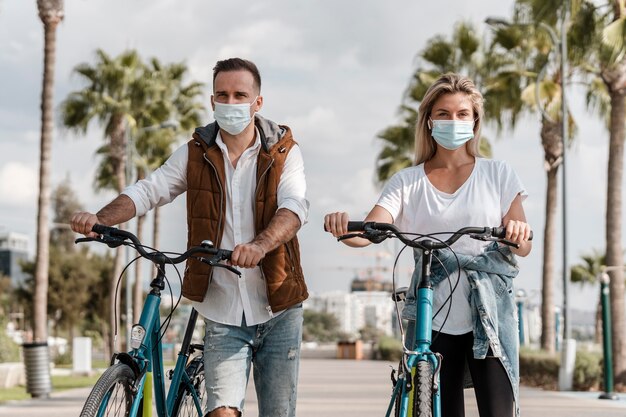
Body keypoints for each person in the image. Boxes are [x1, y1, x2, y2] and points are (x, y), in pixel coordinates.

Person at [70, 58, 309, 417]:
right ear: (212, 102)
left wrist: (260, 246)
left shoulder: (283, 152)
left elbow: (293, 209)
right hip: (223, 307)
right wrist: (99, 218)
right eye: (223, 95)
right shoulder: (195, 153)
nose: (231, 103)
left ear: (257, 102)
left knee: (278, 412)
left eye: (240, 95)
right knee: (221, 412)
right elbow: (150, 190)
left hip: (278, 305)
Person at [324, 73, 531, 417]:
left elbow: (522, 245)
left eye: (462, 114)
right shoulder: (407, 182)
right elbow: (374, 228)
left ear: (474, 121)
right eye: (444, 113)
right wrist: (344, 228)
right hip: (432, 315)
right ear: (430, 121)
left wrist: (519, 232)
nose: (453, 121)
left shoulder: (498, 174)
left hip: (490, 314)